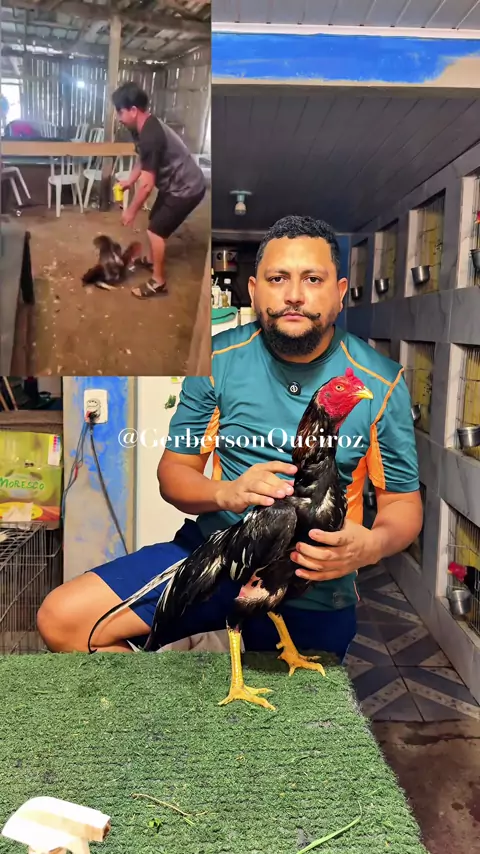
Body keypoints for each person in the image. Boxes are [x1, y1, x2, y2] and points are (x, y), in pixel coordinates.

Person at [37, 215, 423, 660]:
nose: (294, 294)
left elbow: (402, 505)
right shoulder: (217, 360)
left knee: (298, 701)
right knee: (62, 620)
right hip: (214, 555)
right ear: (254, 291)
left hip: (313, 582)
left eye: (312, 279)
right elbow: (174, 474)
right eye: (278, 279)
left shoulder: (380, 382)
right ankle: (187, 685)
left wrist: (371, 546)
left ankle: (216, 657)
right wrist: (226, 493)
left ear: (339, 293)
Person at [111, 81, 206, 299]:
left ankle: (158, 282)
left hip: (187, 187)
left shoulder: (151, 135)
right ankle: (152, 260)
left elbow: (147, 185)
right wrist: (129, 181)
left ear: (133, 110)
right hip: (174, 184)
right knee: (155, 221)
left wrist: (131, 210)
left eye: (120, 111)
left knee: (155, 231)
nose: (118, 117)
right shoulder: (140, 129)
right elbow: (143, 160)